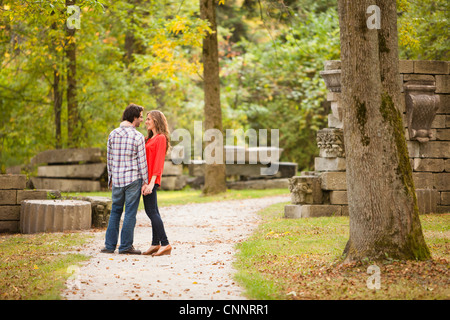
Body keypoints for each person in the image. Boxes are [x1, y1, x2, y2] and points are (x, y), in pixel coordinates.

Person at [101, 103, 148, 255]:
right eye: (140, 117)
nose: (141, 120)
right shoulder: (138, 136)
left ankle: (109, 246)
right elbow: (142, 161)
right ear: (134, 118)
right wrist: (146, 181)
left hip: (117, 180)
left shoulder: (113, 134)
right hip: (133, 179)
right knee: (129, 213)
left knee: (115, 211)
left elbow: (110, 159)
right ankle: (126, 246)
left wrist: (111, 179)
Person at [141, 110, 172, 256]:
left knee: (151, 211)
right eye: (146, 119)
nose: (146, 121)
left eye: (149, 119)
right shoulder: (149, 138)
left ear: (156, 121)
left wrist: (152, 183)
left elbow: (158, 162)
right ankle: (155, 243)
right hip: (146, 180)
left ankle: (165, 243)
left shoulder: (161, 138)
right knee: (154, 210)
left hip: (152, 181)